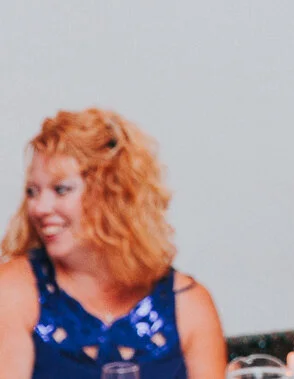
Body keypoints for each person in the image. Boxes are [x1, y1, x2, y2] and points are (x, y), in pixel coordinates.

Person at [0, 109, 227, 379]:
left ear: (112, 196)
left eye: (61, 189)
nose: (39, 208)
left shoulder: (190, 306)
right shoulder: (14, 292)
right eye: (32, 192)